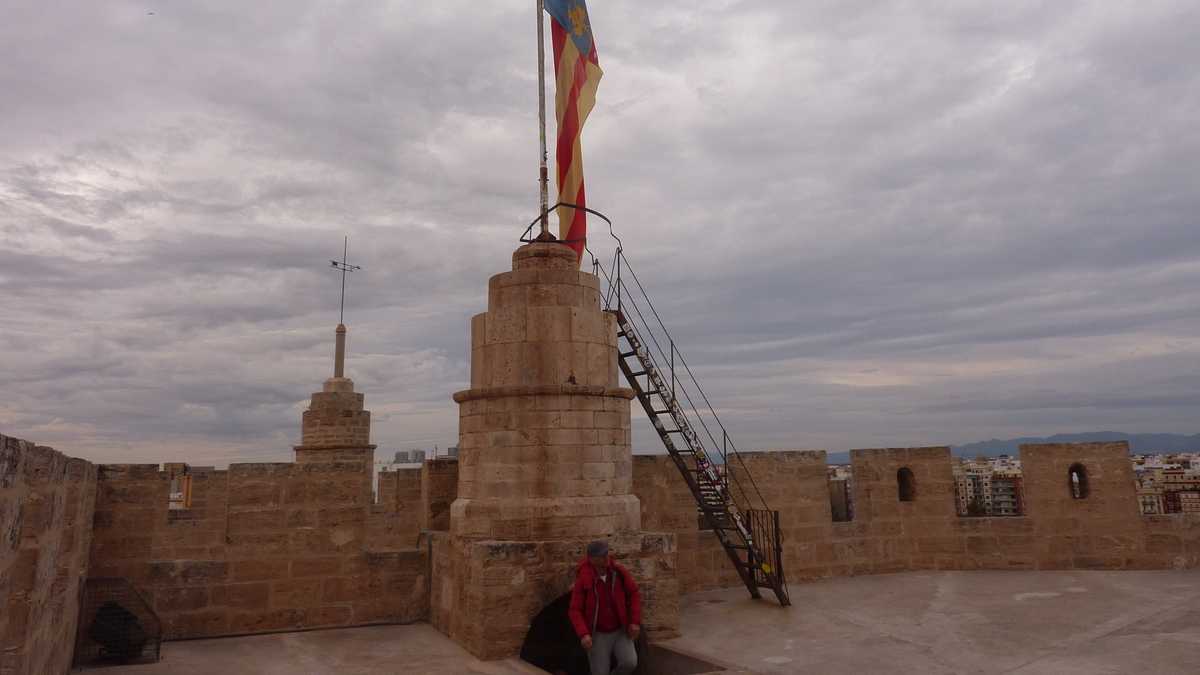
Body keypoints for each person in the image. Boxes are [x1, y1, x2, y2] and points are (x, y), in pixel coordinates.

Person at [567, 540, 641, 675]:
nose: (607, 557)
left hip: (620, 630)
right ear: (592, 559)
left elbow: (634, 593)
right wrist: (584, 634)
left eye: (607, 553)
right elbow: (574, 610)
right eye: (602, 555)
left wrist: (634, 621)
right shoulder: (583, 580)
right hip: (598, 634)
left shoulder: (618, 572)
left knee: (630, 662)